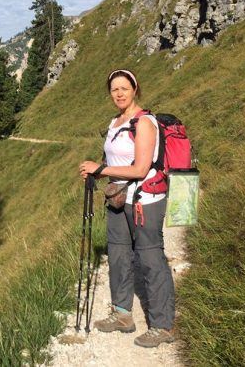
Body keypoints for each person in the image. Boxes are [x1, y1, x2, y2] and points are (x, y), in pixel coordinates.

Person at [78, 69, 175, 348]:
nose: (119, 94)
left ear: (135, 89)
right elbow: (113, 161)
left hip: (145, 200)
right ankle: (122, 314)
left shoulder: (144, 122)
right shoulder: (115, 122)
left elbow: (141, 168)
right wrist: (99, 172)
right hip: (119, 198)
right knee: (119, 254)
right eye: (113, 90)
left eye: (124, 88)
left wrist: (101, 169)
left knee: (149, 258)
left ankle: (162, 325)